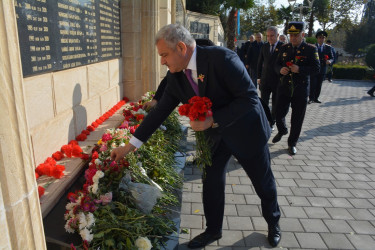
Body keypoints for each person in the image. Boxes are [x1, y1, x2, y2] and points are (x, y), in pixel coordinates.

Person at [111, 24, 281, 248]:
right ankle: (213, 230)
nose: (162, 61)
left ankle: (273, 222)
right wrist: (128, 147)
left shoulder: (223, 59)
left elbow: (249, 99)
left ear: (181, 47)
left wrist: (213, 119)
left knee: (263, 183)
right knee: (211, 183)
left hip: (245, 130)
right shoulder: (176, 77)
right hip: (214, 137)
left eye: (164, 55)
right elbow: (159, 113)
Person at [272, 21, 320, 155]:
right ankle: (282, 130)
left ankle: (292, 143)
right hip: (284, 88)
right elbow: (276, 64)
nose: (293, 38)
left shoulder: (311, 49)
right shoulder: (284, 47)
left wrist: (300, 69)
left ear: (303, 34)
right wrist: (280, 69)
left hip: (300, 89)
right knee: (278, 113)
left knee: (297, 119)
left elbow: (316, 68)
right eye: (291, 35)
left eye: (296, 35)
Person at [143, 38, 215, 110]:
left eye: (165, 55)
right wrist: (155, 100)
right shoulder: (179, 62)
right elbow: (167, 79)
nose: (162, 62)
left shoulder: (205, 46)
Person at [257, 26, 284, 130]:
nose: (269, 38)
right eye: (267, 36)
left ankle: (272, 122)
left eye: (272, 36)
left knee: (275, 103)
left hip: (277, 81)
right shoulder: (264, 46)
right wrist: (258, 77)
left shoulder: (283, 46)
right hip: (265, 80)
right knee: (264, 102)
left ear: (277, 35)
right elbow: (260, 62)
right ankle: (265, 120)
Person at [308, 31, 334, 104]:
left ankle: (316, 98)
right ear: (317, 38)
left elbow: (332, 57)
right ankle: (311, 98)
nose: (321, 39)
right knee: (313, 84)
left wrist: (329, 61)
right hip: (314, 68)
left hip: (322, 68)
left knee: (319, 84)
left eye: (323, 38)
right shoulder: (313, 47)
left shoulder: (328, 47)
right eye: (320, 38)